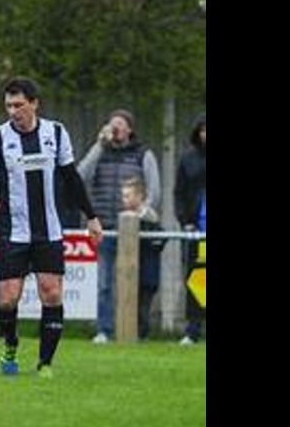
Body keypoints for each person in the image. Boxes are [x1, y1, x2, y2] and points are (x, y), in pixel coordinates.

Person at [0, 77, 102, 378]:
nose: (13, 111)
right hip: (11, 231)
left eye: (19, 105)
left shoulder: (56, 133)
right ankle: (10, 344)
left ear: (34, 104)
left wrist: (92, 216)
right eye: (8, 105)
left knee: (52, 293)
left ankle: (45, 363)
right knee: (7, 298)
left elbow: (72, 178)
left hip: (49, 231)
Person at [78, 109, 160, 344]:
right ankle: (104, 330)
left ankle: (137, 330)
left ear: (130, 130)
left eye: (120, 125)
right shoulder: (100, 152)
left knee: (138, 283)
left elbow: (154, 190)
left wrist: (143, 213)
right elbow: (81, 176)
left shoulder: (142, 154)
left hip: (134, 230)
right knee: (104, 283)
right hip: (105, 228)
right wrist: (98, 145)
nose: (115, 128)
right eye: (112, 124)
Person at [120, 177, 165, 340]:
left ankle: (142, 334)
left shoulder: (150, 217)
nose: (124, 200)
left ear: (139, 197)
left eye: (128, 195)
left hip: (147, 271)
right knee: (132, 303)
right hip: (130, 271)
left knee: (143, 306)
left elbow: (159, 241)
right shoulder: (123, 217)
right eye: (123, 196)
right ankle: (130, 332)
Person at [175, 113, 206, 345]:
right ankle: (193, 329)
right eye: (203, 129)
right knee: (196, 279)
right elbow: (180, 193)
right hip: (197, 231)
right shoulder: (188, 159)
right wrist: (184, 221)